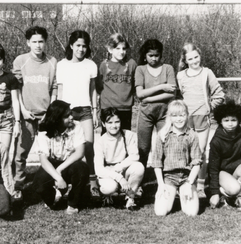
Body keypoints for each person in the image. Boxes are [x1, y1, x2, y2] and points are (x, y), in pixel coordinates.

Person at [12, 26, 57, 191]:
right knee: (20, 153)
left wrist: (50, 113)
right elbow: (15, 89)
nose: (38, 45)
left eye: (41, 41)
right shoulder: (20, 61)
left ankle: (49, 184)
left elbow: (54, 89)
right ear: (28, 43)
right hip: (27, 115)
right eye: (34, 42)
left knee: (49, 153)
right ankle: (17, 185)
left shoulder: (52, 62)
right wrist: (23, 110)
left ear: (45, 42)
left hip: (46, 116)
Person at [177, 43, 225, 197]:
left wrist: (208, 107)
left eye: (196, 57)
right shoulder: (180, 75)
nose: (194, 60)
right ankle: (184, 183)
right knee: (184, 151)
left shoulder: (207, 73)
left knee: (200, 151)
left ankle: (200, 185)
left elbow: (219, 94)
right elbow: (181, 96)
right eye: (190, 58)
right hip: (185, 119)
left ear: (200, 56)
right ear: (185, 60)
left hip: (202, 118)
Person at [56, 30, 99, 198]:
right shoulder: (61, 65)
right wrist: (59, 114)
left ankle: (93, 181)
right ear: (71, 46)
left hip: (86, 110)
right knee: (67, 148)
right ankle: (64, 181)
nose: (81, 49)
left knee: (89, 147)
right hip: (68, 112)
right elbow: (60, 90)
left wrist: (95, 112)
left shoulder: (91, 65)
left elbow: (93, 90)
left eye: (84, 46)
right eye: (78, 45)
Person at [31, 100, 89, 214]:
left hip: (70, 163)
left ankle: (73, 203)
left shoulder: (76, 126)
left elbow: (80, 152)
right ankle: (54, 197)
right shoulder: (44, 130)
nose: (72, 117)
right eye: (67, 116)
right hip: (52, 163)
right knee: (38, 185)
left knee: (82, 169)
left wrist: (60, 170)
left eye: (71, 114)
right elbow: (43, 160)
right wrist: (58, 178)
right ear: (57, 119)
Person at [150, 100, 202, 217]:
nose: (179, 119)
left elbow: (197, 162)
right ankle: (172, 195)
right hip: (169, 178)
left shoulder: (192, 135)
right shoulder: (163, 135)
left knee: (192, 213)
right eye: (175, 116)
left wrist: (189, 184)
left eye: (182, 115)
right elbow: (157, 162)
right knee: (160, 212)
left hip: (186, 178)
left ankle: (183, 193)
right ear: (170, 117)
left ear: (187, 115)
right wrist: (161, 184)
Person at [208, 99, 241, 211]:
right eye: (226, 120)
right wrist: (214, 192)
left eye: (233, 120)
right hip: (222, 172)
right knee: (234, 188)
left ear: (239, 120)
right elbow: (213, 168)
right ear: (220, 121)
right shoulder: (216, 141)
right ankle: (222, 194)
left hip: (235, 169)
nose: (230, 124)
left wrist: (239, 162)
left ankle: (238, 197)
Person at [135, 39, 176, 167]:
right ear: (145, 56)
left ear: (161, 55)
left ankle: (165, 176)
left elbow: (171, 93)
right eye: (150, 56)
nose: (154, 59)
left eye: (156, 55)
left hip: (164, 113)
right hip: (145, 113)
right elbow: (140, 94)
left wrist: (149, 98)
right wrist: (161, 87)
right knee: (143, 147)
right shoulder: (140, 69)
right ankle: (140, 178)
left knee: (165, 143)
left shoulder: (168, 68)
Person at [94, 107, 144, 210]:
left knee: (139, 167)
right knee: (109, 188)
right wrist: (119, 178)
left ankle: (130, 197)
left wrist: (120, 166)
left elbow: (135, 155)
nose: (114, 126)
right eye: (110, 122)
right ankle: (107, 195)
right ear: (103, 124)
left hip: (123, 168)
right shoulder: (100, 142)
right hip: (109, 172)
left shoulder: (128, 135)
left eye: (117, 122)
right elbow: (99, 169)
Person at [96, 33, 137, 133]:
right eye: (118, 48)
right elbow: (99, 86)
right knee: (108, 137)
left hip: (125, 108)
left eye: (124, 48)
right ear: (110, 50)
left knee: (125, 136)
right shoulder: (104, 65)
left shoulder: (131, 64)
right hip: (108, 107)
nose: (121, 52)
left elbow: (135, 85)